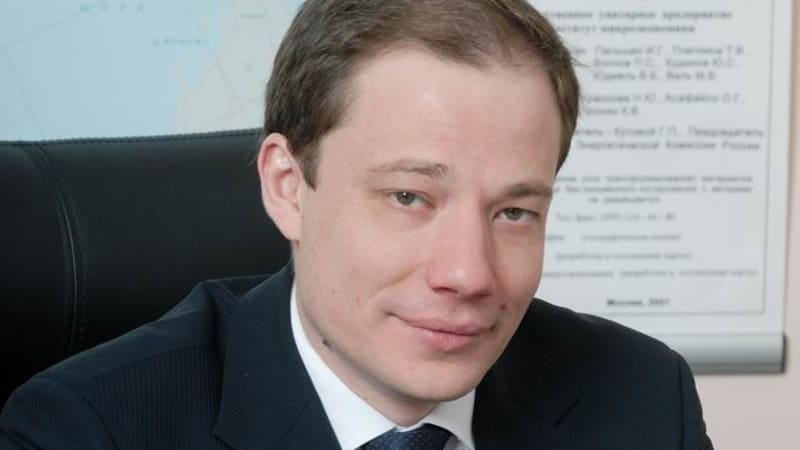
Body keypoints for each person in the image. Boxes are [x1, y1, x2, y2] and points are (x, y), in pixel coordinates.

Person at [1, 0, 712, 449]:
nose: (468, 274)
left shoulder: (642, 398)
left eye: (514, 212)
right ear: (288, 188)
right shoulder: (88, 429)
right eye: (409, 197)